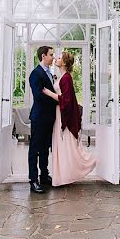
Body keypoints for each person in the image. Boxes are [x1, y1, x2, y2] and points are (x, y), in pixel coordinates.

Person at [51, 51, 96, 186]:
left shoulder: (66, 78)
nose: (56, 58)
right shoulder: (62, 77)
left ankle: (90, 161)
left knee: (65, 145)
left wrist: (48, 93)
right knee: (62, 145)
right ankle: (62, 176)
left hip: (62, 114)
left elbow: (66, 100)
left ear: (64, 63)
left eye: (59, 58)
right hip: (59, 113)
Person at [28, 45, 59, 193]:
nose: (53, 57)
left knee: (45, 148)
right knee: (35, 149)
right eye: (51, 55)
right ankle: (33, 180)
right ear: (43, 56)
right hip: (39, 117)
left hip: (49, 117)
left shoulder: (50, 73)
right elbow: (39, 96)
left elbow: (49, 91)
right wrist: (57, 100)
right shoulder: (35, 74)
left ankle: (44, 176)